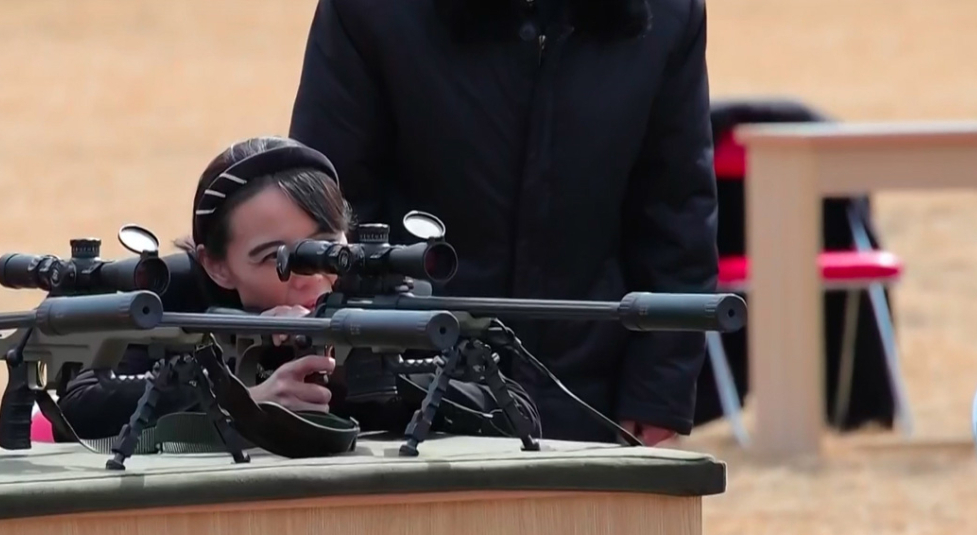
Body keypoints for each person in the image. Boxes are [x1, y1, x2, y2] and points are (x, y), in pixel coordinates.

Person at [58, 135, 541, 535]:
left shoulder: (375, 293)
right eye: (275, 259)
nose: (309, 278)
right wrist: (238, 398)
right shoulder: (169, 299)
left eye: (323, 248)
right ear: (216, 266)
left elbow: (513, 411)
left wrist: (369, 383)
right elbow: (78, 407)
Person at [288, 0, 720, 448]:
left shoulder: (669, 12)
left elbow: (677, 216)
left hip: (590, 401)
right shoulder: (371, 12)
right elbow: (329, 207)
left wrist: (656, 396)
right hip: (402, 396)